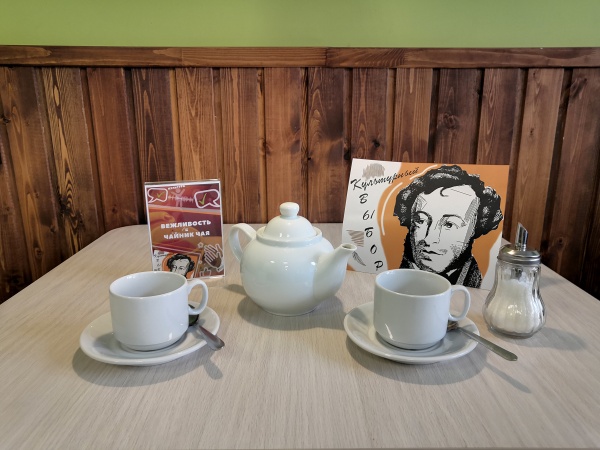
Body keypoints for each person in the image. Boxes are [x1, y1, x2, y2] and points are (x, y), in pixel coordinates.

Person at [393, 165, 503, 288]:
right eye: (421, 220)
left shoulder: (478, 283)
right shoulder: (392, 277)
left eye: (449, 224)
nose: (430, 239)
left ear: (475, 228)